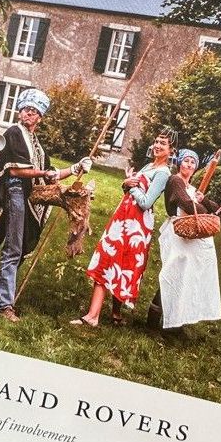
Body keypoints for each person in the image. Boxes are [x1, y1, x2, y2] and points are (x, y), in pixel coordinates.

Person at [0, 88, 90, 322]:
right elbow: (14, 170)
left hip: (27, 195)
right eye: (25, 109)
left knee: (19, 247)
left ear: (40, 117)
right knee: (14, 248)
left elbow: (50, 175)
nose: (28, 114)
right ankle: (3, 305)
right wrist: (44, 171)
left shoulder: (36, 144)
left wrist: (76, 167)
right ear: (19, 112)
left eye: (34, 111)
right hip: (13, 191)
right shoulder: (14, 133)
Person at [71, 131, 173, 328]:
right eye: (156, 141)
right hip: (123, 219)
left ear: (170, 150)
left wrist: (130, 186)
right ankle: (114, 315)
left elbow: (146, 202)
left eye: (163, 143)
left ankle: (93, 316)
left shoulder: (163, 173)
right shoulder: (149, 166)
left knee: (121, 264)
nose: (157, 145)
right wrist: (126, 184)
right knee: (109, 260)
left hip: (137, 225)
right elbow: (130, 189)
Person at [148, 148, 221, 330]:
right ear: (180, 162)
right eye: (186, 161)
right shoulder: (175, 181)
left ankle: (178, 320)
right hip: (178, 234)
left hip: (192, 237)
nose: (189, 165)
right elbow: (187, 205)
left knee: (187, 277)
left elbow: (217, 209)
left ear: (196, 168)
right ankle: (152, 320)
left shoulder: (191, 188)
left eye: (193, 163)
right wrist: (202, 208)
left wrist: (202, 199)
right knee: (171, 274)